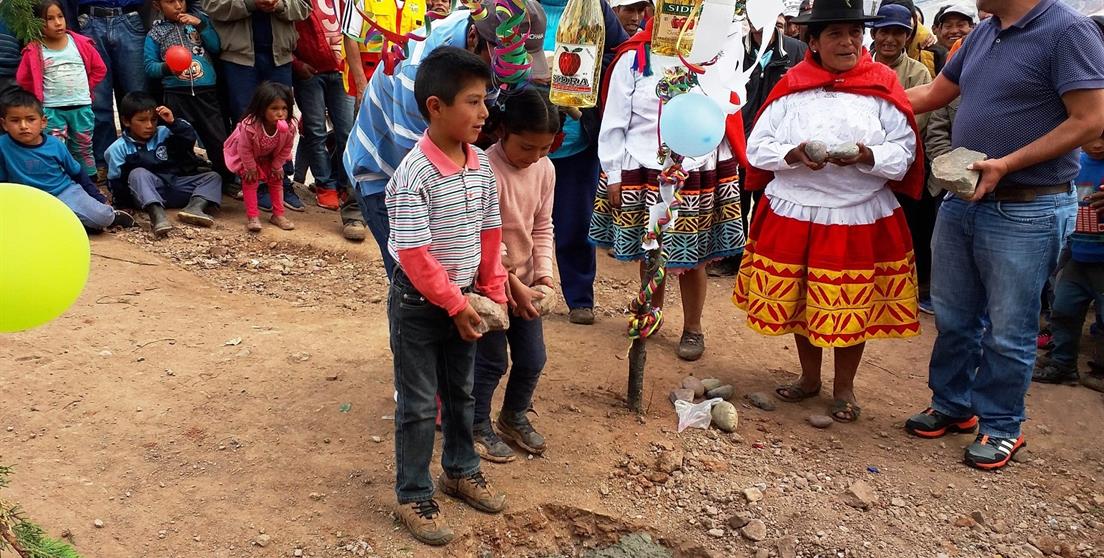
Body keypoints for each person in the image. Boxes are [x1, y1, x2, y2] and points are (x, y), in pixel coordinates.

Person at [904, 0, 1104, 470]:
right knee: (954, 317)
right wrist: (858, 91)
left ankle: (1001, 425)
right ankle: (953, 406)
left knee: (1009, 328)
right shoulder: (982, 32)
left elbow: (1090, 119)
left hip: (1027, 204)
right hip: (964, 199)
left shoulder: (1068, 31)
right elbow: (933, 92)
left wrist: (1007, 164)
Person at [733, 0, 924, 423]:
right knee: (802, 298)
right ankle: (809, 378)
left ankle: (844, 388)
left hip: (858, 216)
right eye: (836, 34)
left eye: (855, 33)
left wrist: (867, 155)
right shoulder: (792, 88)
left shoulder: (882, 86)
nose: (848, 42)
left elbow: (905, 151)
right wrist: (794, 153)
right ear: (814, 42)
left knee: (851, 302)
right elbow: (758, 148)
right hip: (797, 212)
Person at [386, 46, 508, 546]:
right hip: (419, 306)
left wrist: (492, 293)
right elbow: (414, 256)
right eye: (473, 102)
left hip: (465, 299)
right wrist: (456, 306)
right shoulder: (413, 174)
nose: (484, 113)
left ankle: (460, 469)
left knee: (461, 391)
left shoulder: (480, 166)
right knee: (418, 403)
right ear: (435, 107)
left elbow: (490, 233)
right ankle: (414, 493)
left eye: (485, 101)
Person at [343, 0, 551, 279]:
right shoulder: (417, 71)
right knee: (412, 279)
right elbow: (418, 174)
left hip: (438, 166)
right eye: (503, 66)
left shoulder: (488, 50)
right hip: (384, 171)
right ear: (474, 38)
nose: (510, 76)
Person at [590, 20, 745, 362]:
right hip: (643, 165)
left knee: (693, 255)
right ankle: (650, 313)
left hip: (695, 167)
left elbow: (723, 109)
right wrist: (613, 172)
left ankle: (693, 328)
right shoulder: (634, 58)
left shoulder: (713, 56)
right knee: (651, 249)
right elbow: (615, 118)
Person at [471, 87, 559, 463]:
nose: (534, 156)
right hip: (488, 283)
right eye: (526, 147)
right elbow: (482, 238)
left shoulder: (545, 169)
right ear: (503, 130)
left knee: (533, 358)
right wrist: (513, 286)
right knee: (491, 361)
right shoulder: (484, 170)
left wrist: (544, 278)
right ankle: (476, 425)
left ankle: (513, 415)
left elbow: (542, 226)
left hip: (523, 283)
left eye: (545, 148)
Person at [540, 0, 628, 325]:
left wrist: (583, 67)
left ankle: (579, 298)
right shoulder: (515, 7)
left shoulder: (593, 7)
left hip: (577, 142)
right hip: (523, 138)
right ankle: (519, 293)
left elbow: (621, 55)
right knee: (516, 224)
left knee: (575, 224)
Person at [709, 13, 806, 278]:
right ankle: (733, 259)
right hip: (738, 136)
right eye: (755, 17)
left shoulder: (797, 50)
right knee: (737, 200)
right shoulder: (734, 49)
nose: (759, 23)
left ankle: (763, 259)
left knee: (768, 202)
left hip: (778, 142)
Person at [203, 0, 309, 212]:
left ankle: (282, 181)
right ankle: (256, 184)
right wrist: (250, 4)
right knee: (247, 123)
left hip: (280, 56)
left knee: (282, 120)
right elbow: (212, 6)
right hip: (238, 57)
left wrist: (279, 5)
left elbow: (305, 8)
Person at [0, 89, 135, 231]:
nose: (23, 126)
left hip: (63, 191)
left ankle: (112, 217)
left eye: (30, 119)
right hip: (26, 197)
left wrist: (98, 198)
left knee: (101, 218)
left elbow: (77, 173)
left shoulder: (55, 145)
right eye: (15, 121)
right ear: (4, 124)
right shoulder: (3, 146)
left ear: (43, 122)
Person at [1032, 134, 1104, 391]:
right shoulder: (1074, 164)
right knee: (1064, 308)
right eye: (1094, 135)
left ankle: (1101, 370)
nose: (1098, 144)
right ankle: (1063, 363)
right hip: (1077, 253)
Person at [144, 0, 234, 190]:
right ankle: (185, 178)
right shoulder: (156, 33)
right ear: (157, 6)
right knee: (179, 138)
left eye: (181, 0)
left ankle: (227, 179)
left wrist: (201, 25)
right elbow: (149, 67)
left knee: (216, 138)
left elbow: (216, 47)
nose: (178, 6)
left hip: (206, 92)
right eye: (170, 2)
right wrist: (168, 68)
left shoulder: (198, 22)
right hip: (176, 94)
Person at [104, 91, 222, 236]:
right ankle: (157, 216)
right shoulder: (117, 149)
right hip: (144, 195)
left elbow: (188, 139)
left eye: (153, 120)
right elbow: (115, 181)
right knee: (138, 173)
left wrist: (173, 122)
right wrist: (122, 205)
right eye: (142, 120)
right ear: (126, 121)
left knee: (213, 177)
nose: (149, 125)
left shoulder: (164, 133)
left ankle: (194, 208)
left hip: (174, 185)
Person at [17, 0, 105, 178]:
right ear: (37, 23)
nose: (57, 23)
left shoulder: (81, 43)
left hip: (81, 108)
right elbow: (23, 79)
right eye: (49, 19)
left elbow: (99, 69)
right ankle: (59, 180)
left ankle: (89, 179)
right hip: (52, 110)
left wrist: (85, 87)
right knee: (55, 146)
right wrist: (37, 98)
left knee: (83, 146)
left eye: (60, 16)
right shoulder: (34, 50)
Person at [290, 0, 357, 222]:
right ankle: (324, 184)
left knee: (347, 131)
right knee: (315, 129)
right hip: (309, 71)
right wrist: (296, 64)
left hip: (342, 70)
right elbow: (282, 28)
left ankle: (345, 185)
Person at [74, 0, 149, 187]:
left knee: (138, 96)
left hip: (130, 17)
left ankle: (142, 156)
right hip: (89, 21)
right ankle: (103, 160)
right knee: (98, 101)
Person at [224, 81, 298, 232]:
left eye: (284, 108)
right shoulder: (250, 126)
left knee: (277, 180)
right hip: (249, 157)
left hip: (272, 157)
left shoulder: (289, 127)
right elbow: (244, 148)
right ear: (262, 109)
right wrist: (250, 168)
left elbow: (287, 147)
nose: (280, 113)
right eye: (274, 108)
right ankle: (253, 216)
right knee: (250, 181)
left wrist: (277, 165)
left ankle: (278, 215)